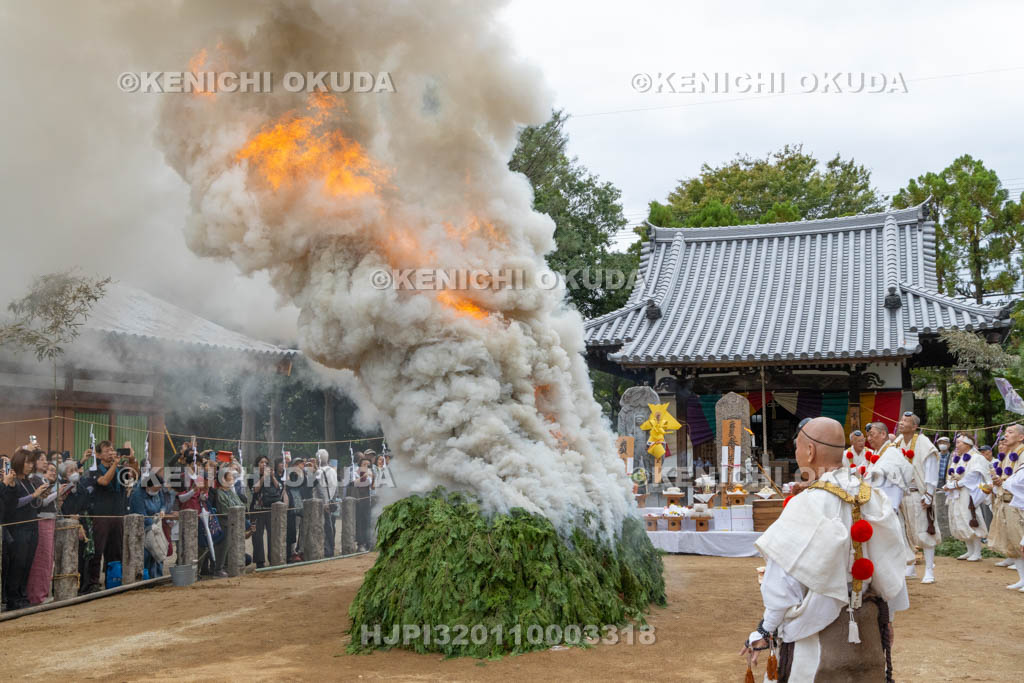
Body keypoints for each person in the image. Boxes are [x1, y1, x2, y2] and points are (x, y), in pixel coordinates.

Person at [741, 417, 907, 681]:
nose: (796, 452)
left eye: (797, 446)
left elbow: (783, 583)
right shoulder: (875, 497)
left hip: (817, 638)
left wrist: (764, 630)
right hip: (869, 633)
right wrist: (887, 623)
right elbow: (892, 566)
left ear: (809, 451)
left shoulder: (806, 503)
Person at [892, 412, 941, 584]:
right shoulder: (896, 443)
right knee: (907, 531)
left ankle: (929, 570)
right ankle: (911, 567)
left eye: (906, 421)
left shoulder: (924, 443)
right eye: (901, 420)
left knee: (925, 530)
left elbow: (931, 468)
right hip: (902, 494)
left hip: (919, 493)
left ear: (914, 426)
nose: (901, 423)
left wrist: (929, 493)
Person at [3, 448, 49, 609]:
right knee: (18, 563)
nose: (30, 465)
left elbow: (33, 504)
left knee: (28, 562)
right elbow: (14, 504)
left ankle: (23, 594)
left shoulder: (29, 481)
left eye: (31, 462)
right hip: (18, 527)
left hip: (32, 524)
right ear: (19, 462)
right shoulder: (13, 481)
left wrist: (39, 497)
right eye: (27, 462)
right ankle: (13, 597)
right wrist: (34, 495)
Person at [83, 440, 129, 593]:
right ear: (98, 455)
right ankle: (92, 583)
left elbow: (132, 477)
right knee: (97, 550)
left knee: (116, 550)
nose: (111, 452)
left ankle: (113, 579)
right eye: (107, 450)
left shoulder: (119, 468)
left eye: (112, 449)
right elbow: (103, 481)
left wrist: (132, 460)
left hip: (117, 514)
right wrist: (116, 465)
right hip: (100, 516)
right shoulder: (94, 470)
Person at [941, 434, 989, 561]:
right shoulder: (958, 458)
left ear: (967, 444)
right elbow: (951, 474)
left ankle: (977, 552)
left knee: (971, 518)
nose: (956, 446)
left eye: (959, 443)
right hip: (956, 493)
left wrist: (955, 485)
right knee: (960, 520)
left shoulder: (976, 457)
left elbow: (973, 477)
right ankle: (970, 550)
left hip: (969, 493)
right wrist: (950, 484)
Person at [988, 423, 1024, 589]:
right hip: (1004, 501)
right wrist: (997, 482)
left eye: (1010, 432)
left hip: (1019, 503)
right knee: (1012, 542)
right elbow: (1002, 478)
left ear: (1021, 437)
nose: (1006, 435)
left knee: (1022, 542)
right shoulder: (1006, 455)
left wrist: (1004, 482)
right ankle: (1022, 578)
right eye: (1006, 432)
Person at [27, 459, 61, 604]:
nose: (44, 462)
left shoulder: (41, 479)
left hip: (50, 518)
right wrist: (58, 492)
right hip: (41, 520)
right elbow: (42, 501)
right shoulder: (33, 479)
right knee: (41, 559)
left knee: (48, 559)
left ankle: (43, 592)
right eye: (40, 459)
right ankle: (37, 595)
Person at [129, 471, 170, 578]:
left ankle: (158, 577)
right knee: (146, 555)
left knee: (158, 551)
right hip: (143, 530)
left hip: (156, 526)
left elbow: (163, 503)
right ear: (148, 486)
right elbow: (141, 513)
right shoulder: (137, 495)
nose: (158, 491)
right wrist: (152, 525)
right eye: (156, 488)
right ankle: (145, 578)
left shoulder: (158, 492)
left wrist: (162, 510)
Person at [250, 455, 281, 568]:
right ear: (257, 464)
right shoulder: (253, 475)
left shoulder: (272, 475)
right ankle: (260, 561)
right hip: (256, 509)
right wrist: (263, 477)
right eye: (261, 462)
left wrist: (272, 476)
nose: (264, 464)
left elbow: (279, 488)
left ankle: (273, 559)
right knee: (257, 536)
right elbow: (254, 489)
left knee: (272, 535)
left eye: (266, 462)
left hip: (270, 509)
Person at [313, 449, 338, 557]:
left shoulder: (319, 472)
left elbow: (320, 488)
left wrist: (325, 503)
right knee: (330, 526)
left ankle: (327, 550)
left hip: (322, 504)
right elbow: (336, 488)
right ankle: (330, 549)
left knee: (324, 527)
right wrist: (332, 500)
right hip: (331, 501)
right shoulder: (333, 470)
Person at [353, 455, 374, 552]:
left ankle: (368, 542)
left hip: (367, 500)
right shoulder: (355, 472)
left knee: (368, 522)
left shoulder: (369, 473)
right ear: (360, 465)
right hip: (358, 500)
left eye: (368, 465)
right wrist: (364, 476)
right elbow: (355, 483)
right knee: (359, 522)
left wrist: (368, 477)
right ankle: (360, 543)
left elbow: (370, 483)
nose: (366, 466)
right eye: (364, 464)